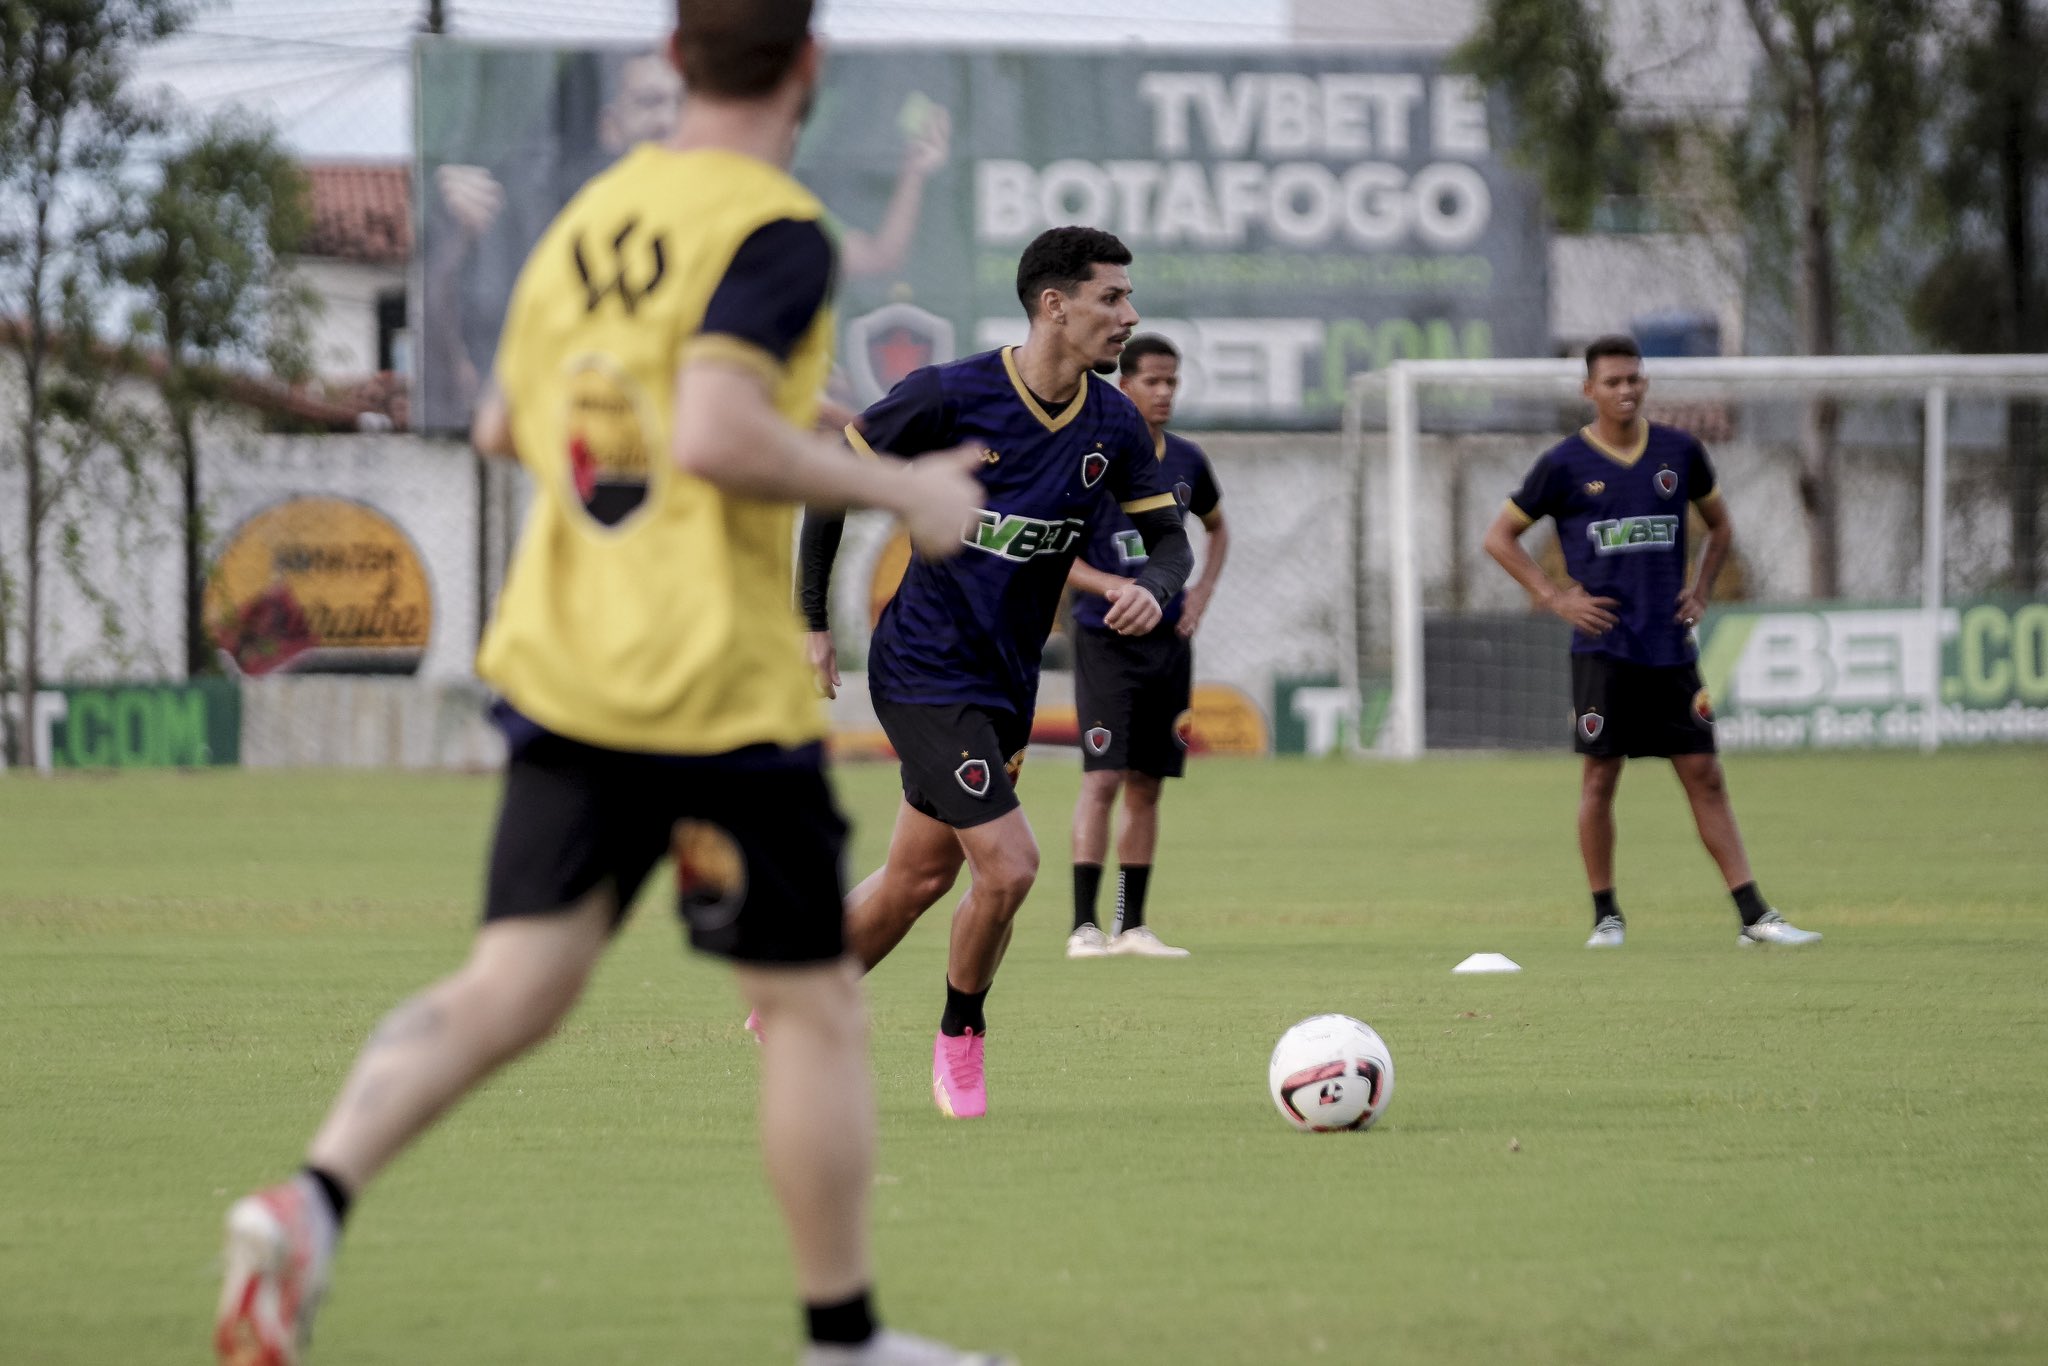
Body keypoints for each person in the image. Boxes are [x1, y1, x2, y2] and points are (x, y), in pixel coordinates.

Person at [213, 5, 1014, 1365]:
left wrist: (760, 428)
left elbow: (503, 422)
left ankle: (316, 1196)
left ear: (674, 60)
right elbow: (707, 430)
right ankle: (846, 1340)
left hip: (568, 669)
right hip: (703, 681)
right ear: (807, 67)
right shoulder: (773, 227)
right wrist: (899, 488)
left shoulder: (589, 222)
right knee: (815, 998)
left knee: (511, 984)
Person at [797, 226, 1193, 1120]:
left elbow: (1169, 538)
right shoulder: (949, 394)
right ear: (1055, 304)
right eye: (1111, 298)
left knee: (918, 880)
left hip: (1004, 685)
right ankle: (960, 1039)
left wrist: (1155, 590)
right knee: (1010, 867)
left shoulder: (1113, 423)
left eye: (1129, 299)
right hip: (923, 670)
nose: (1129, 316)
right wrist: (813, 619)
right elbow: (831, 483)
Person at [1481, 333, 1821, 951]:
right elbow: (1499, 537)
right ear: (1589, 390)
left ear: (1646, 384)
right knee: (1600, 779)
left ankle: (1754, 915)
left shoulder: (1680, 453)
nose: (1625, 390)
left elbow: (1719, 526)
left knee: (1704, 773)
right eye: (1611, 381)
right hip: (1604, 650)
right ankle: (1606, 915)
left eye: (1634, 379)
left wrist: (1701, 590)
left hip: (1670, 650)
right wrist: (1554, 596)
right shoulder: (1563, 465)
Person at [1062, 335, 1229, 960]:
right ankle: (1083, 926)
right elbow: (1059, 552)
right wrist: (1116, 587)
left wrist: (1201, 593)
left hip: (1167, 644)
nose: (1163, 393)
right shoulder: (1091, 456)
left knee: (1148, 784)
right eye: (1151, 381)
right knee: (1102, 777)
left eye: (1171, 382)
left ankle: (1131, 927)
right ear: (1124, 384)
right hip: (1105, 640)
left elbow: (1216, 528)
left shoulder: (1186, 460)